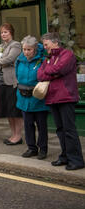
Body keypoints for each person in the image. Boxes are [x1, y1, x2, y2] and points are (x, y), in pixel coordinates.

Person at [37, 32, 84, 170]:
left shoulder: (67, 54)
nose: (45, 47)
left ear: (55, 42)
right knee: (60, 130)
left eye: (46, 44)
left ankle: (76, 160)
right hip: (53, 98)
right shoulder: (48, 58)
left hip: (66, 97)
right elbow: (39, 75)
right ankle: (64, 156)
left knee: (69, 130)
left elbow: (61, 69)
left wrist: (48, 71)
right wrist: (51, 72)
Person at [15, 36, 50, 160]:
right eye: (24, 49)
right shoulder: (19, 60)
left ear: (35, 49)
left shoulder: (42, 60)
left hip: (38, 97)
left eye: (29, 49)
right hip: (23, 97)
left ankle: (43, 149)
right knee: (28, 124)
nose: (26, 52)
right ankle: (31, 148)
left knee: (41, 125)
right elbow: (17, 75)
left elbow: (46, 78)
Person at [0, 23, 23, 145]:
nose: (3, 34)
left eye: (6, 32)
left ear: (11, 33)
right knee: (8, 111)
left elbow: (10, 58)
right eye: (1, 32)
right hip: (1, 82)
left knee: (15, 110)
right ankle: (13, 134)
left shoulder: (16, 45)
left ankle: (18, 136)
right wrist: (1, 62)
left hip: (12, 82)